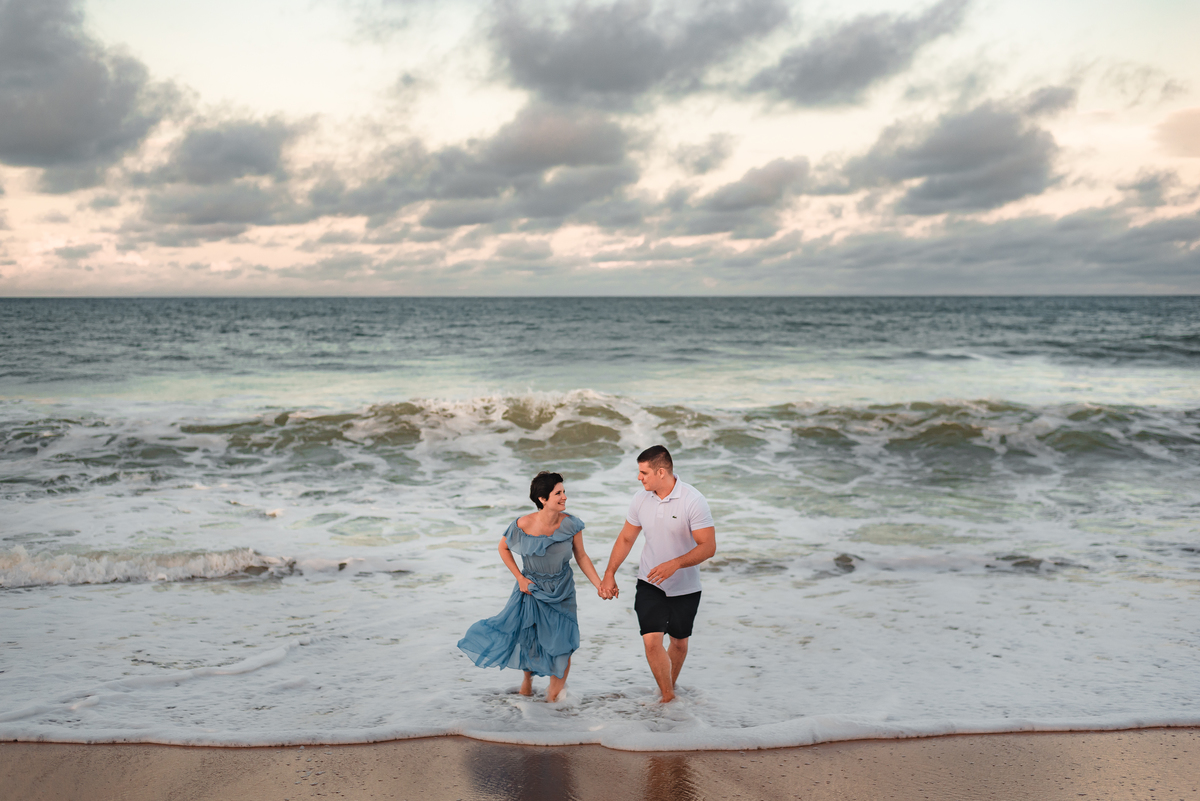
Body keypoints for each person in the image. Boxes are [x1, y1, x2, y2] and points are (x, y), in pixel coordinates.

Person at [458, 471, 604, 702]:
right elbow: (503, 548)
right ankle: (527, 682)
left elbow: (582, 557)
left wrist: (599, 585)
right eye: (558, 493)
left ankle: (552, 702)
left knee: (564, 644)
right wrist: (519, 578)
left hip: (563, 591)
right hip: (531, 589)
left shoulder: (572, 524)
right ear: (543, 499)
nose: (564, 497)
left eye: (564, 491)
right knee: (531, 639)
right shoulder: (522, 524)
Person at [600, 445, 716, 703]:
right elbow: (627, 537)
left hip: (685, 587)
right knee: (652, 641)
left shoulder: (692, 500)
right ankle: (667, 696)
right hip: (649, 582)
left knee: (679, 644)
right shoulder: (640, 499)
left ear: (660, 472)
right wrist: (610, 573)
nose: (639, 478)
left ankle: (668, 686)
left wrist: (675, 564)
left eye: (643, 473)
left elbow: (708, 546)